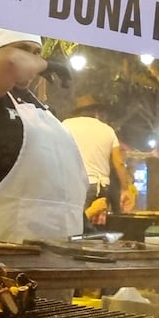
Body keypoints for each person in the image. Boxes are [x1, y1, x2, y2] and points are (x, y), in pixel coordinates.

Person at [0, 27, 87, 243]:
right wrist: (46, 63)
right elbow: (11, 62)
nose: (33, 60)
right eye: (24, 49)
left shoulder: (42, 109)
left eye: (37, 52)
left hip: (60, 254)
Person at [62, 94, 135, 223]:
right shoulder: (108, 130)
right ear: (96, 112)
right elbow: (119, 163)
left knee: (77, 225)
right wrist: (125, 189)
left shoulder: (66, 125)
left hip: (77, 185)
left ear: (77, 112)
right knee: (96, 230)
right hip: (102, 188)